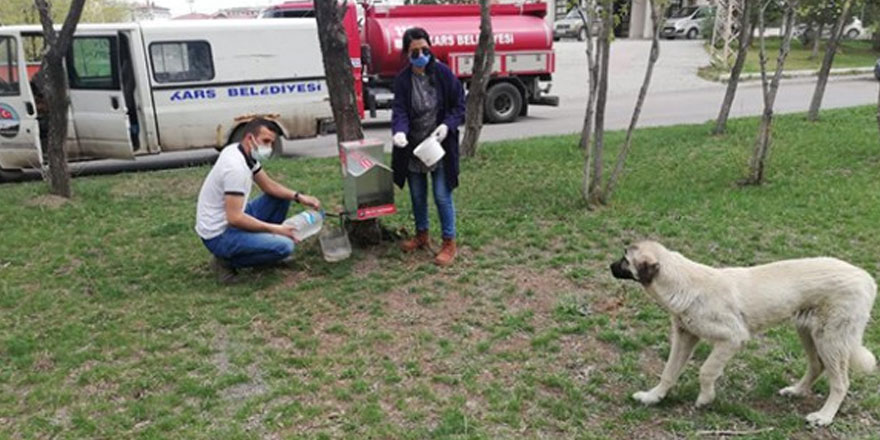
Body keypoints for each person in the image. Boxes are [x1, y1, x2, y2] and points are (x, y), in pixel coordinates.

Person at [195, 118, 321, 281]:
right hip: (219, 234)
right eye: (265, 141)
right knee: (285, 246)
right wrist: (275, 230)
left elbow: (269, 186)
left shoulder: (239, 150)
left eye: (271, 143)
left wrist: (299, 197)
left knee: (281, 197)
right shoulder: (235, 168)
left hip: (230, 219)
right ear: (250, 138)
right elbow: (234, 218)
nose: (268, 147)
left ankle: (265, 249)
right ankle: (226, 261)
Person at [391, 27, 466, 267]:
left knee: (442, 196)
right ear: (406, 54)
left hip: (439, 146)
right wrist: (400, 131)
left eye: (425, 49)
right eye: (415, 51)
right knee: (417, 194)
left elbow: (458, 106)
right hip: (414, 148)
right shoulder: (403, 80)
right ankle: (421, 235)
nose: (421, 54)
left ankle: (448, 243)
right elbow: (400, 110)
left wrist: (447, 126)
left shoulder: (443, 73)